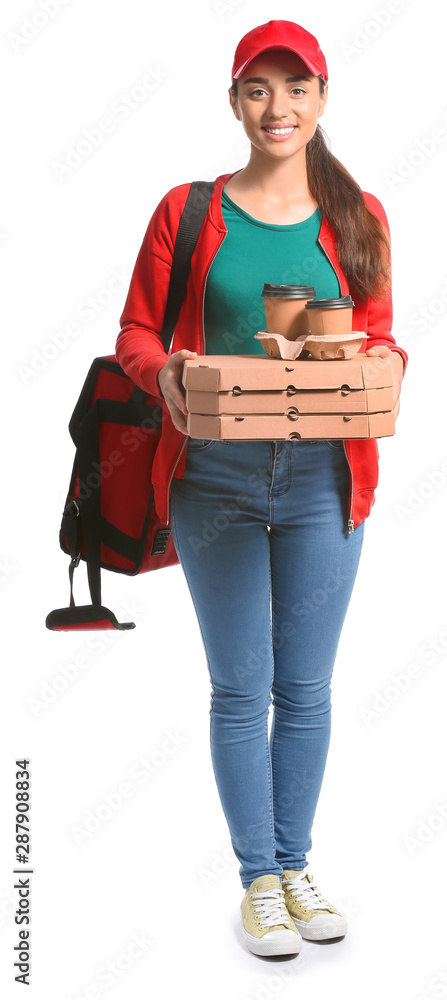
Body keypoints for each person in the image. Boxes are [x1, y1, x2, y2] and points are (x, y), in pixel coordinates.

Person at [116, 20, 408, 958]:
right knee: (242, 688)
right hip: (217, 478)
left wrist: (382, 368)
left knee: (309, 687)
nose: (276, 108)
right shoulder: (188, 211)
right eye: (256, 88)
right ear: (234, 101)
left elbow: (380, 335)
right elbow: (134, 337)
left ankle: (295, 862)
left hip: (327, 474)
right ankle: (259, 882)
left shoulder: (359, 215)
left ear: (322, 99)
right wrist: (167, 374)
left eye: (295, 88)